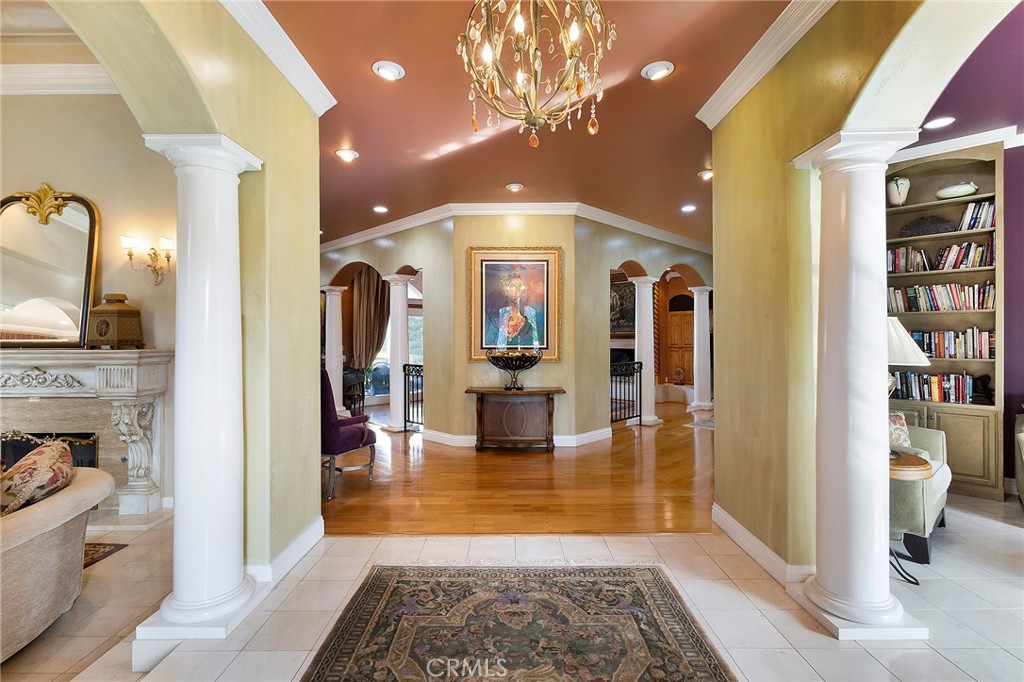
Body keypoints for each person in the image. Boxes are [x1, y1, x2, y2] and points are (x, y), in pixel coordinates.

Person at [495, 270, 539, 349]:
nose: (517, 291)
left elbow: (535, 342)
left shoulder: (530, 312)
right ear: (507, 290)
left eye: (520, 287)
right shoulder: (503, 312)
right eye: (513, 287)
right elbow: (500, 343)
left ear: (524, 290)